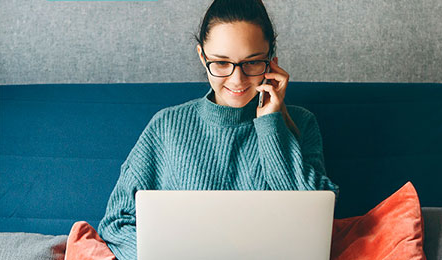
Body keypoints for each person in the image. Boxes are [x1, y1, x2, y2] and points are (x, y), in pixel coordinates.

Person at [97, 0, 339, 259]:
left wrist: (271, 125)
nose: (237, 80)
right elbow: (116, 222)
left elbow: (314, 222)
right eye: (222, 63)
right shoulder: (166, 127)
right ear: (203, 57)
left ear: (271, 61)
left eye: (253, 62)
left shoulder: (302, 123)